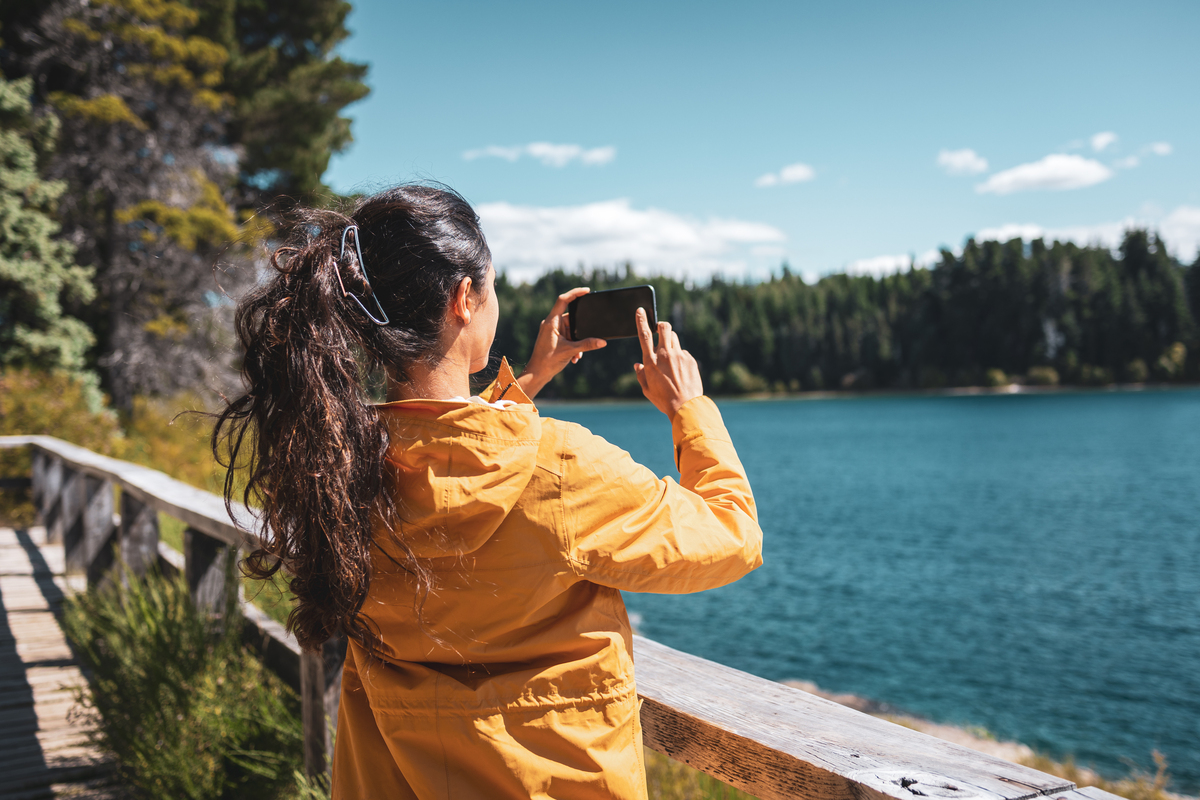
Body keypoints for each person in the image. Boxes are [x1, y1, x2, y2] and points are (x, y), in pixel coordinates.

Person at [214, 184, 762, 799]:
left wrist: (530, 379)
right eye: (492, 288)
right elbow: (732, 536)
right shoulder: (563, 468)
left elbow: (447, 458)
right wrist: (689, 409)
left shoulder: (336, 462)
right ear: (464, 299)